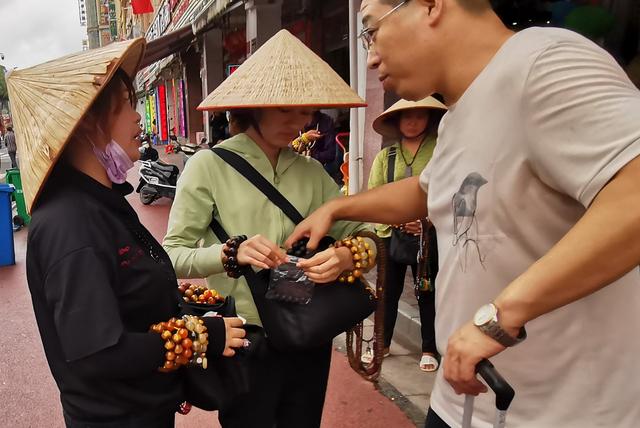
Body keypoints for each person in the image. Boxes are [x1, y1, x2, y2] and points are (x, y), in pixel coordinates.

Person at [286, 1, 640, 427]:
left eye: (371, 31)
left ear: (431, 5)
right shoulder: (459, 114)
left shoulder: (544, 63)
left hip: (560, 410)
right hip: (467, 402)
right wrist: (338, 206)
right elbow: (427, 189)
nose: (372, 55)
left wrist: (500, 317)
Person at [7, 39, 246, 427]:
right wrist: (200, 335)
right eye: (127, 104)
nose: (138, 119)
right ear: (88, 119)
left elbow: (126, 288)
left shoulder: (101, 202)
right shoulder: (70, 223)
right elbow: (98, 353)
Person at [163, 30, 376, 428]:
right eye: (286, 111)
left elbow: (365, 233)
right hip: (245, 337)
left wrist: (347, 255)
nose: (300, 122)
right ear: (253, 107)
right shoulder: (208, 167)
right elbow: (172, 254)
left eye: (306, 112)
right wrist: (229, 253)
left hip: (309, 328)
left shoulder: (312, 171)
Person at [368, 97, 446, 371]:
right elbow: (375, 194)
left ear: (429, 119)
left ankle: (429, 347)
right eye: (406, 117)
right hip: (391, 235)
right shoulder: (385, 156)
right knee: (387, 292)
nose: (413, 122)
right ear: (397, 121)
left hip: (429, 236)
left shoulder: (441, 151)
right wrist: (399, 220)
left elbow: (450, 190)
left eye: (420, 116)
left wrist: (426, 221)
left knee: (427, 291)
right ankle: (382, 342)